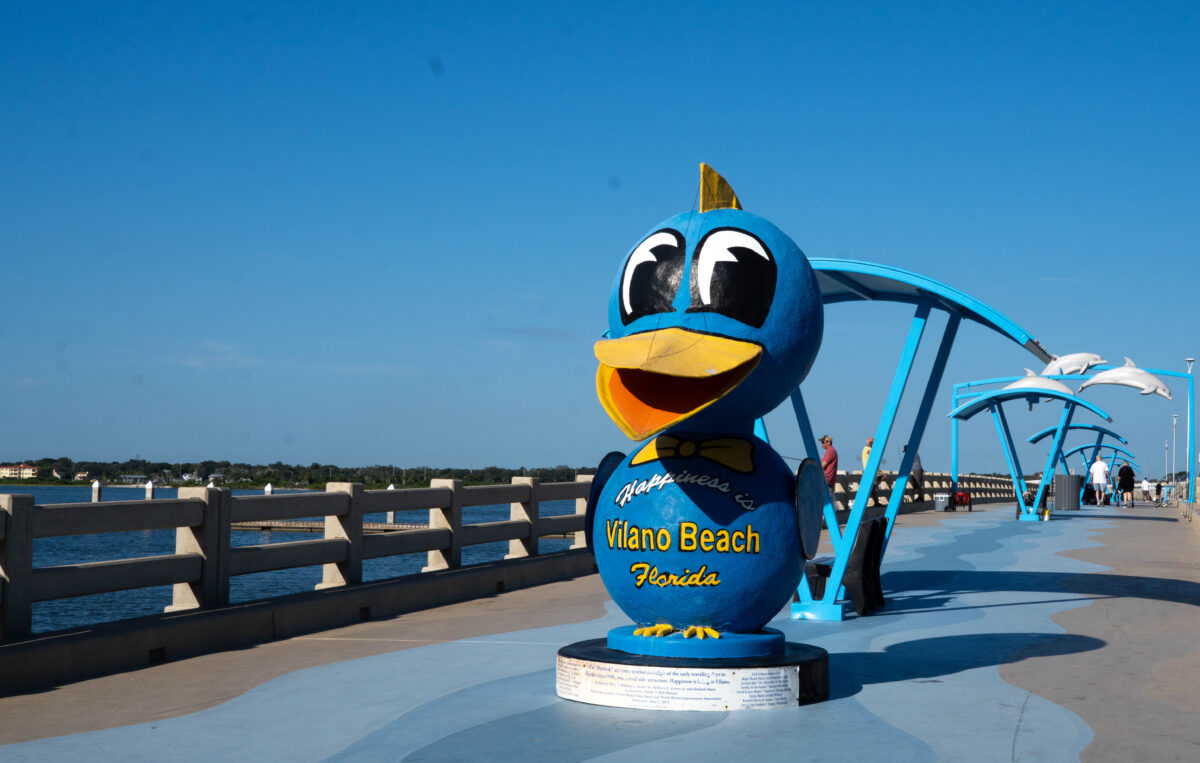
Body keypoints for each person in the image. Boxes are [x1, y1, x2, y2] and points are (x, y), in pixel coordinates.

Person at [820, 435, 839, 505]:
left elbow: (822, 466)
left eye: (823, 442)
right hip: (829, 482)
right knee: (829, 503)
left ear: (828, 442)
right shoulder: (832, 451)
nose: (821, 444)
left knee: (826, 504)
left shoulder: (830, 452)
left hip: (826, 481)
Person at [861, 436, 880, 507]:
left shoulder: (868, 448)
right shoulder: (867, 449)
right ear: (870, 443)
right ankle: (875, 502)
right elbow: (872, 454)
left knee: (873, 487)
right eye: (873, 442)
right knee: (872, 487)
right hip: (869, 472)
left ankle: (876, 502)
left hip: (872, 471)